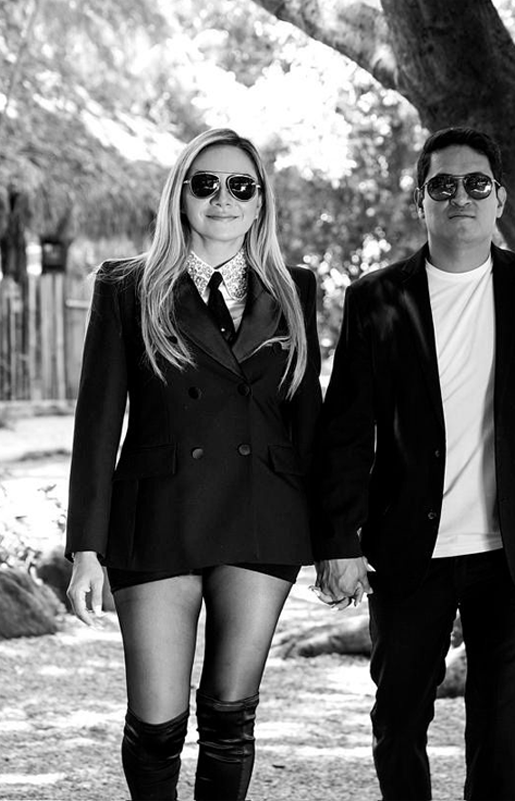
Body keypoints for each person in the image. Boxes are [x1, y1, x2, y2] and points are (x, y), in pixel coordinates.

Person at [312, 126, 515, 801]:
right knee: (398, 720)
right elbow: (345, 432)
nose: (461, 195)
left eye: (476, 183)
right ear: (420, 202)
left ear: (499, 198)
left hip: (512, 551)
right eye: (443, 185)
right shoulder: (376, 297)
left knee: (503, 729)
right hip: (407, 547)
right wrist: (338, 542)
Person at [65, 127, 321, 801]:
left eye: (241, 185)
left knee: (231, 716)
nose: (222, 198)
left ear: (260, 201)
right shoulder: (128, 285)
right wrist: (86, 548)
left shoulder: (295, 287)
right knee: (157, 725)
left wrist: (337, 540)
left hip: (263, 513)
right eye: (205, 183)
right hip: (158, 515)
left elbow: (308, 421)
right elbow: (98, 423)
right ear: (180, 194)